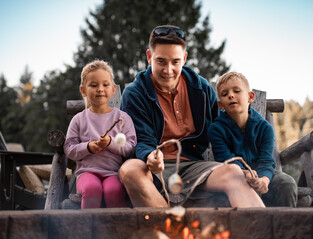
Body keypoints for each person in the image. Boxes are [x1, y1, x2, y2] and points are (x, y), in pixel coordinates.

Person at [119, 25, 265, 208]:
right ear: (149, 57)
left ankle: (262, 230)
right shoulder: (135, 93)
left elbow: (223, 126)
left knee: (235, 173)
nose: (168, 70)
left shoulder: (201, 89)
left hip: (193, 165)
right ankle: (172, 230)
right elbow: (140, 138)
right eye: (161, 61)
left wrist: (247, 164)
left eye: (175, 62)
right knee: (130, 170)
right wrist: (149, 156)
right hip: (154, 168)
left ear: (185, 59)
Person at [208, 71, 297, 207]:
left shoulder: (264, 128)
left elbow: (267, 160)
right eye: (225, 94)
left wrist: (264, 181)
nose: (231, 95)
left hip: (263, 175)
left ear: (250, 97)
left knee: (287, 183)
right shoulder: (216, 130)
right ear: (221, 105)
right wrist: (245, 174)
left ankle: (284, 226)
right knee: (224, 193)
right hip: (234, 177)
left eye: (236, 91)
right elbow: (225, 160)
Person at [64, 60, 137, 209]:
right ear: (83, 90)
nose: (100, 89)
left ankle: (116, 229)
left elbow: (131, 147)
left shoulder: (122, 118)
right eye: (93, 85)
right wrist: (89, 147)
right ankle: (89, 229)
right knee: (92, 190)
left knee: (114, 190)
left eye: (105, 85)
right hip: (87, 173)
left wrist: (111, 142)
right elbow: (69, 148)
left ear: (113, 89)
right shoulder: (79, 119)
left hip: (114, 173)